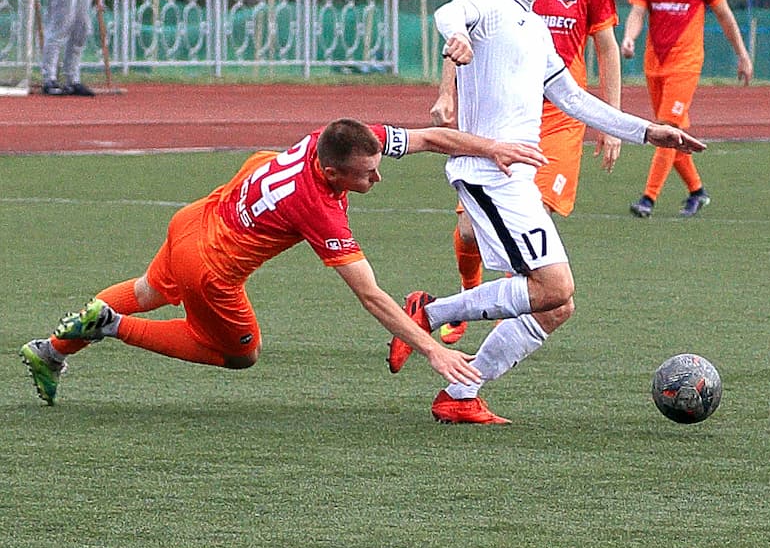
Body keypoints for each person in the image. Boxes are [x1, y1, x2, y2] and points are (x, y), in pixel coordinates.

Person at [392, 0, 703, 425]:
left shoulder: (535, 28)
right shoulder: (487, 4)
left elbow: (575, 100)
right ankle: (431, 313)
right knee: (554, 289)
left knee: (556, 305)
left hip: (517, 177)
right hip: (487, 173)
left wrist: (647, 131)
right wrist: (457, 38)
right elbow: (448, 14)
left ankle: (459, 395)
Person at [19, 118, 542, 407]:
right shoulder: (319, 207)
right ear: (334, 174)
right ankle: (112, 327)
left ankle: (52, 350)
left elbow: (429, 138)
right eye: (365, 176)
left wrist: (490, 146)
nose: (375, 180)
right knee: (238, 355)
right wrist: (429, 348)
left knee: (149, 290)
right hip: (211, 267)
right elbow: (370, 295)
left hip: (195, 218)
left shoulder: (334, 139)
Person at [430, 0, 619, 336]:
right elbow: (461, 23)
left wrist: (611, 123)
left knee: (541, 242)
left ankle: (503, 311)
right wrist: (447, 91)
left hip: (557, 120)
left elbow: (607, 47)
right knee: (473, 233)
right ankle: (468, 293)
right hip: (497, 116)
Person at [620, 0, 751, 219]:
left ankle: (647, 199)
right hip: (655, 62)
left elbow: (724, 15)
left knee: (665, 127)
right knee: (672, 133)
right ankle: (697, 191)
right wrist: (629, 38)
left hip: (686, 61)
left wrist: (742, 54)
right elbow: (638, 12)